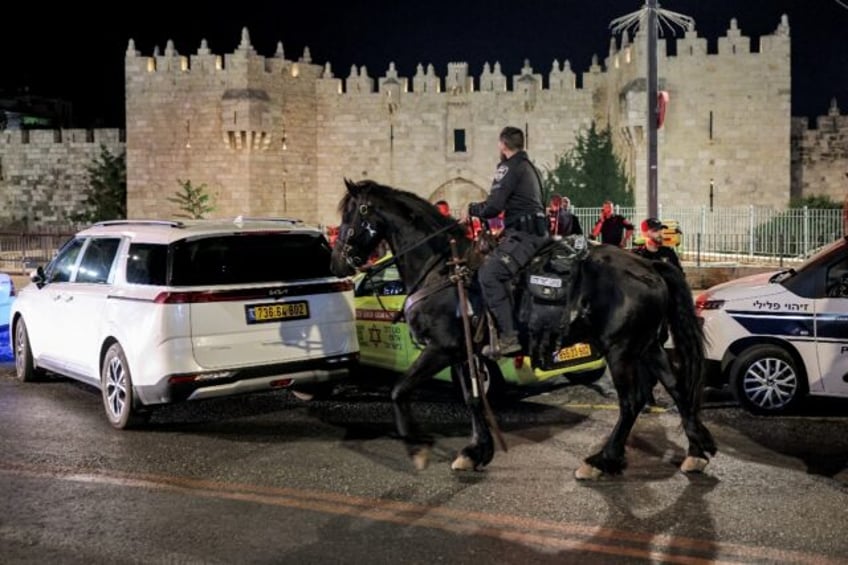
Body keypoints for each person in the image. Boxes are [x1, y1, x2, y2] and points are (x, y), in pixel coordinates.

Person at [465, 126, 549, 358]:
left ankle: (509, 337)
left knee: (489, 275)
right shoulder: (531, 168)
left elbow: (493, 207)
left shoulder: (509, 167)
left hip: (525, 236)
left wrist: (472, 209)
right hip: (537, 233)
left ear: (503, 145)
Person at [632, 217, 682, 411]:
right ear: (645, 233)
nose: (660, 234)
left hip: (663, 313)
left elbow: (679, 278)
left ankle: (646, 394)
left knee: (655, 350)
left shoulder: (668, 253)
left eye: (660, 230)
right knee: (647, 354)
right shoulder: (637, 256)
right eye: (655, 231)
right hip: (643, 314)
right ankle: (645, 396)